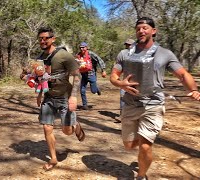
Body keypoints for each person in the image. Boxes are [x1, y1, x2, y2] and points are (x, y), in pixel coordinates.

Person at [110, 17, 200, 179]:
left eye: (145, 28)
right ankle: (142, 147)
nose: (141, 31)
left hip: (153, 105)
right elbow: (113, 76)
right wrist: (120, 84)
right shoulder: (125, 53)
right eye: (138, 28)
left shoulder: (165, 54)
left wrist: (193, 89)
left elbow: (182, 74)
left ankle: (141, 175)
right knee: (129, 145)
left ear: (153, 31)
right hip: (130, 104)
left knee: (145, 146)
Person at [33, 26, 85, 171]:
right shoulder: (40, 58)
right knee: (47, 127)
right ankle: (53, 159)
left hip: (64, 97)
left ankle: (75, 125)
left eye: (46, 38)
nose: (43, 41)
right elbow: (41, 79)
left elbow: (77, 75)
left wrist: (74, 97)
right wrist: (39, 94)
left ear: (53, 39)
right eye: (40, 38)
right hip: (48, 97)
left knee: (66, 131)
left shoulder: (63, 55)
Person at [76, 42, 107, 110]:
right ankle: (85, 105)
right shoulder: (78, 55)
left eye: (83, 47)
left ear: (86, 47)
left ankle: (96, 89)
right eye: (80, 47)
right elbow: (76, 63)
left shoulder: (91, 54)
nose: (81, 49)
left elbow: (100, 60)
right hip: (83, 75)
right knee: (82, 90)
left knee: (93, 91)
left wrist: (103, 70)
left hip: (91, 74)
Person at [120, 38, 135, 114]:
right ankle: (122, 114)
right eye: (126, 44)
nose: (127, 46)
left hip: (137, 80)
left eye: (129, 44)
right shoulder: (123, 53)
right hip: (125, 79)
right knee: (123, 96)